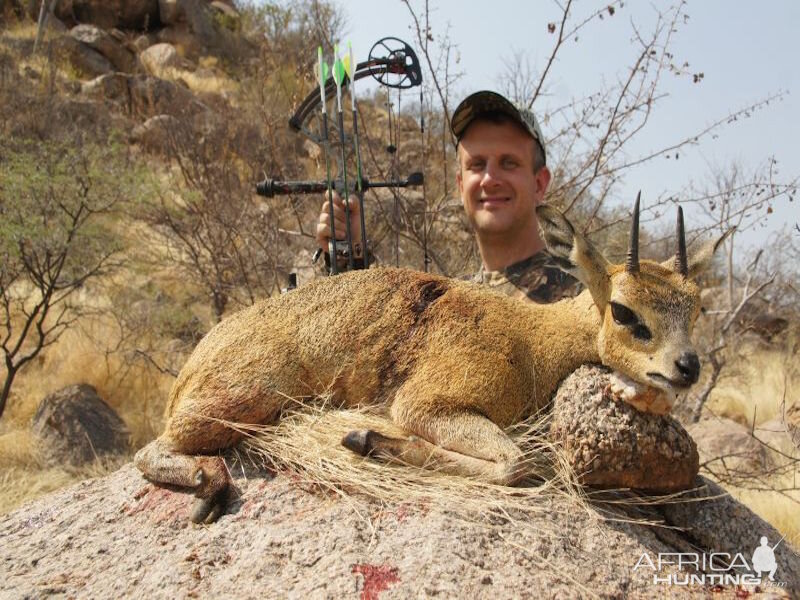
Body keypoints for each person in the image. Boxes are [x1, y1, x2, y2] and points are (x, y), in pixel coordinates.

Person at [315, 90, 578, 302]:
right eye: (477, 164)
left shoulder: (586, 301)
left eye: (509, 163)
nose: (489, 179)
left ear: (539, 184)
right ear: (461, 185)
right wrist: (349, 254)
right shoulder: (449, 304)